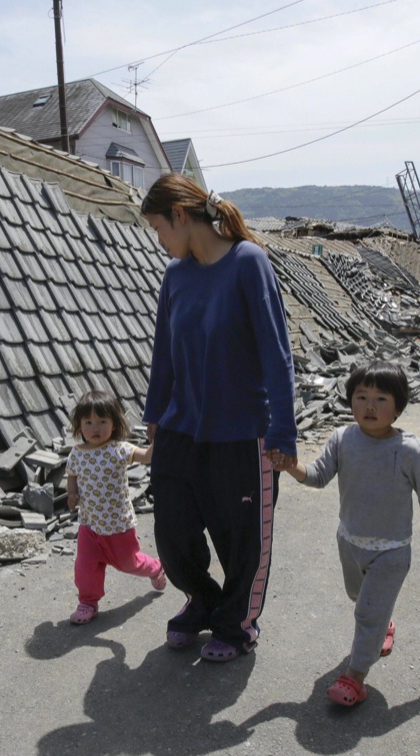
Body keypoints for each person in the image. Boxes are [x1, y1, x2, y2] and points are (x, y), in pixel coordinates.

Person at [140, 173, 296, 662]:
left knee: (241, 538)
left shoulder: (248, 263)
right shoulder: (176, 277)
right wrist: (154, 418)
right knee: (173, 529)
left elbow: (277, 355)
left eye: (160, 230)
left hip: (241, 432)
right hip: (180, 429)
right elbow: (163, 354)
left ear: (181, 216)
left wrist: (283, 431)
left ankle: (238, 623)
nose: (161, 242)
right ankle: (201, 599)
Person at [279, 360, 420, 707]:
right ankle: (382, 620)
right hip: (350, 544)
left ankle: (354, 679)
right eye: (361, 397)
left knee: (366, 613)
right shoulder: (342, 439)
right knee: (359, 597)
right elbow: (318, 476)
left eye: (381, 399)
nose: (369, 406)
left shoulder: (409, 450)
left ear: (398, 408)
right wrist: (291, 466)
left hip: (392, 550)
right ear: (350, 401)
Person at [66, 389, 165, 625]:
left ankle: (155, 568)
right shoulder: (77, 453)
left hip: (118, 525)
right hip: (89, 525)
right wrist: (72, 493)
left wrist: (157, 438)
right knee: (85, 566)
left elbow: (146, 457)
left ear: (114, 423)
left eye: (102, 421)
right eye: (88, 422)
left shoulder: (119, 449)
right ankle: (88, 602)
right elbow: (71, 474)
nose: (95, 428)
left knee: (129, 563)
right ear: (80, 425)